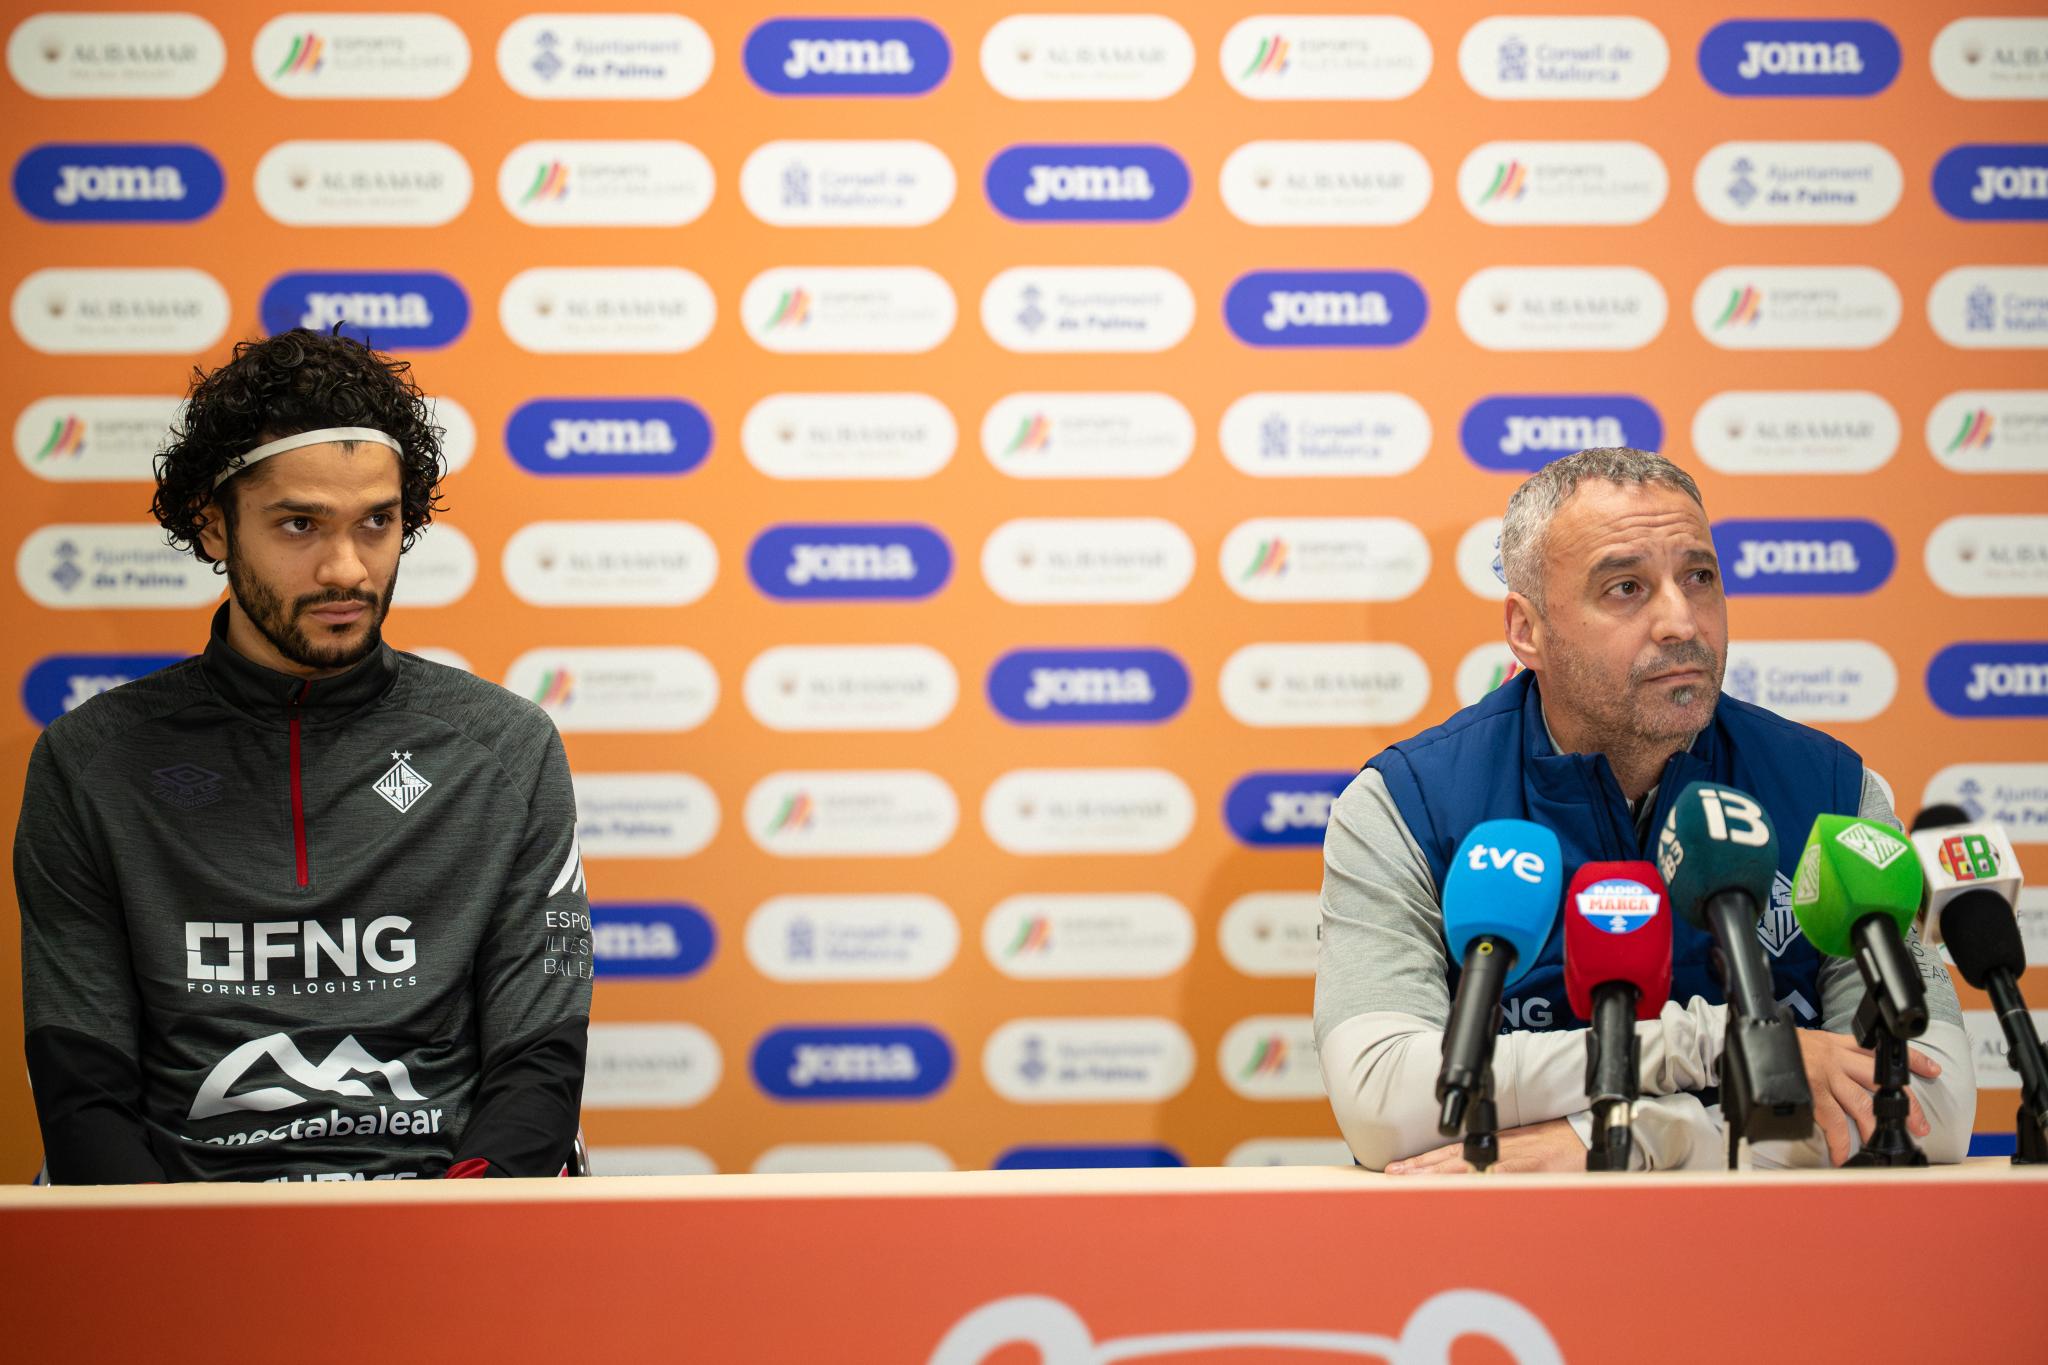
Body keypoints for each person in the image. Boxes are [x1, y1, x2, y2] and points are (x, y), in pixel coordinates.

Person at [16, 328, 592, 1182]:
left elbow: (538, 1065)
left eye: (377, 522)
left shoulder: (505, 748)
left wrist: (447, 1234)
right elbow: (83, 1089)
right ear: (213, 525)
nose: (346, 569)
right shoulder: (90, 763)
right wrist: (172, 1246)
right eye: (299, 524)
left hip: (444, 1210)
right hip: (188, 1221)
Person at [1315, 447, 1975, 1172]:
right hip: (1511, 1242)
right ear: (1527, 630)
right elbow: (1383, 1100)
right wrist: (1719, 1044)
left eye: (1699, 578)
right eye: (1626, 587)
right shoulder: (1406, 805)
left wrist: (1643, 1138)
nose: (1680, 621)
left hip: (1771, 1240)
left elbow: (1928, 1110)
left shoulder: (1833, 791)